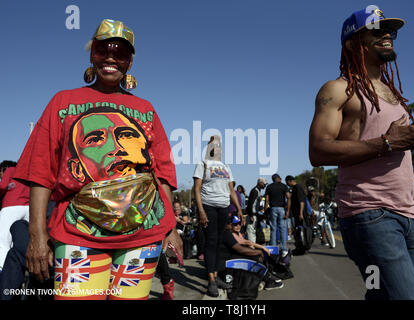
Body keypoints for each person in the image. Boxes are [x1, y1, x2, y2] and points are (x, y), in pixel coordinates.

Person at [13, 19, 182, 300]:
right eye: (103, 49)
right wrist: (36, 235)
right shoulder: (62, 102)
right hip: (77, 234)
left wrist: (171, 229)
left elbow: (161, 174)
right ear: (92, 54)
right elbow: (41, 171)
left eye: (121, 52)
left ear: (130, 61)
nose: (111, 57)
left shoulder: (145, 109)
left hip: (143, 237)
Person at [309, 7, 414, 299]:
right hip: (370, 218)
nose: (387, 35)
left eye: (390, 31)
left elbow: (401, 164)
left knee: (379, 294)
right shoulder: (338, 89)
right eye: (376, 30)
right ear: (352, 42)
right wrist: (386, 142)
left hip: (408, 219)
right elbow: (318, 151)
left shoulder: (395, 96)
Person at [193, 135, 243, 297]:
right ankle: (211, 281)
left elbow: (230, 190)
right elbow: (197, 189)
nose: (217, 149)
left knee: (220, 242)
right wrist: (201, 211)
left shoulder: (226, 166)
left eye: (219, 147)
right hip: (208, 206)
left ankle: (216, 275)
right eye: (214, 146)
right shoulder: (203, 164)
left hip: (223, 207)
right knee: (211, 241)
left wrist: (239, 209)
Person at [0, 161, 30, 274]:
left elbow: (2, 186)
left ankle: (3, 269)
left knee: (3, 241)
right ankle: (27, 268)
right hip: (28, 208)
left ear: (4, 168)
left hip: (11, 206)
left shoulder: (10, 170)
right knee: (24, 240)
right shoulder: (27, 171)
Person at [264, 174, 291, 257]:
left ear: (273, 179)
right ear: (279, 178)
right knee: (283, 229)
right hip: (281, 209)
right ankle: (284, 250)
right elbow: (288, 197)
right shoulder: (283, 186)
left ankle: (273, 248)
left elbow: (267, 200)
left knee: (273, 229)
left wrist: (265, 212)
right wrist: (288, 211)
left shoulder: (269, 187)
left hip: (273, 209)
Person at [246, 178, 267, 243]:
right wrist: (251, 215)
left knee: (253, 231)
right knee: (251, 232)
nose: (265, 186)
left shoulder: (258, 190)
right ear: (260, 183)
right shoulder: (255, 191)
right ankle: (251, 248)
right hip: (252, 214)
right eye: (264, 184)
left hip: (254, 214)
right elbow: (250, 203)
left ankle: (252, 246)